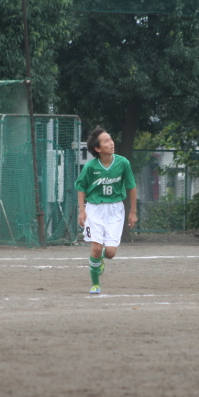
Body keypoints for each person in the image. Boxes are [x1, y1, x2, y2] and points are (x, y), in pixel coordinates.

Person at [75, 126, 137, 294]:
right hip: (94, 209)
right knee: (96, 248)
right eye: (106, 141)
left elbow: (131, 187)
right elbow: (81, 187)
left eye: (111, 139)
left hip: (115, 209)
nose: (111, 143)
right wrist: (82, 210)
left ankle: (100, 260)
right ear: (97, 148)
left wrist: (133, 212)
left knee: (110, 253)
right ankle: (95, 284)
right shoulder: (90, 167)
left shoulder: (123, 163)